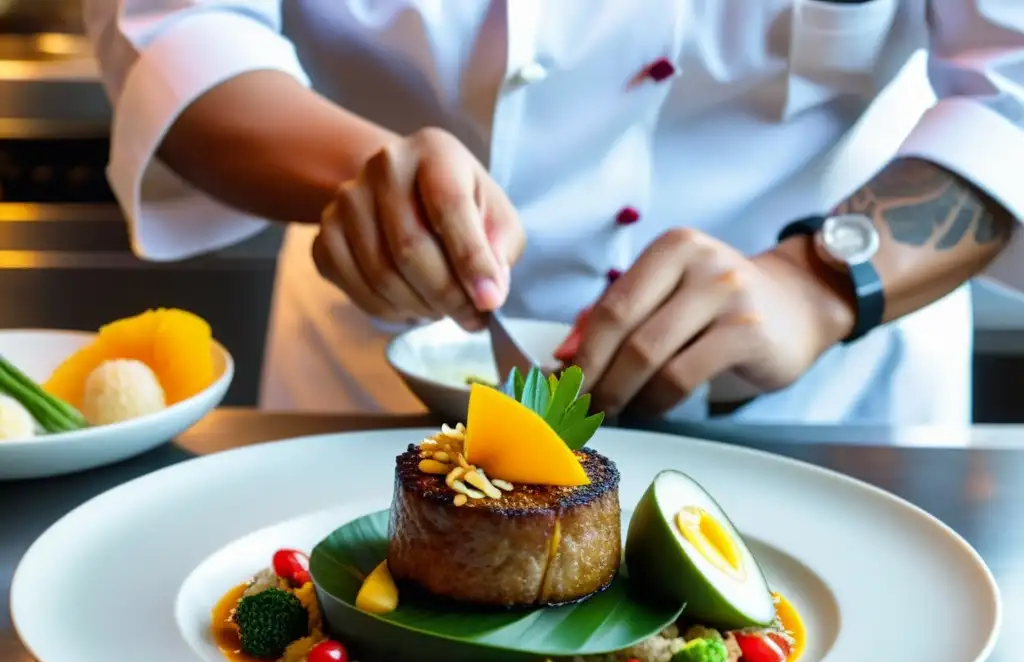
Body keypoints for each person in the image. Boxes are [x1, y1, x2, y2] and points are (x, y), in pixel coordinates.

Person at [82, 1, 1024, 424]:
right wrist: (356, 175)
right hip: (385, 384)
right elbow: (177, 31)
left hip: (823, 400)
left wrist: (818, 283)